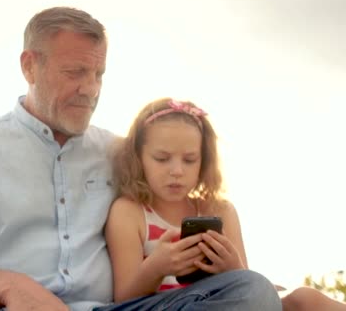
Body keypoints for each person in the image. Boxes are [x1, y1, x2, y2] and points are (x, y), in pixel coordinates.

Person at [0, 6, 282, 311]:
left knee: (251, 292)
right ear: (30, 66)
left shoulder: (121, 152)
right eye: (74, 73)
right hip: (0, 309)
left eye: (98, 74)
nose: (90, 89)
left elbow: (179, 193)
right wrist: (11, 287)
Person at [106, 97, 346, 310]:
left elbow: (245, 284)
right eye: (162, 159)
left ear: (204, 160)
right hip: (162, 305)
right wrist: (157, 267)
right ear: (138, 157)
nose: (177, 171)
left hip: (224, 301)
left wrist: (232, 267)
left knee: (305, 298)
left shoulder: (220, 211)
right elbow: (124, 299)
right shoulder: (129, 212)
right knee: (260, 290)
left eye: (190, 160)